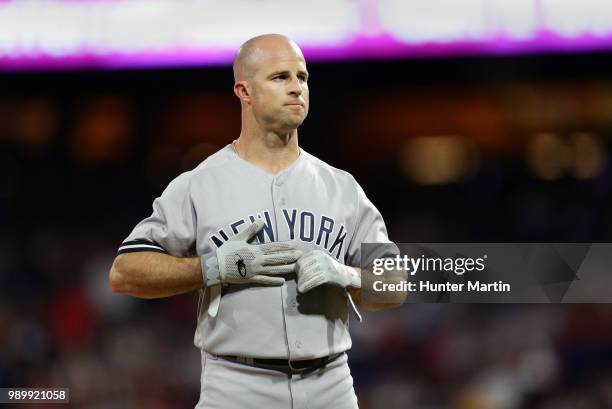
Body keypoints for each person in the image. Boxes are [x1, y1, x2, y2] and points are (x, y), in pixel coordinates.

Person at [109, 33, 404, 409]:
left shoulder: (341, 187)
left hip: (330, 386)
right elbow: (125, 273)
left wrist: (348, 275)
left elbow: (395, 284)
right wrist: (212, 268)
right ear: (244, 91)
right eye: (280, 77)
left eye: (303, 77)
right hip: (236, 386)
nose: (297, 88)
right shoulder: (199, 184)